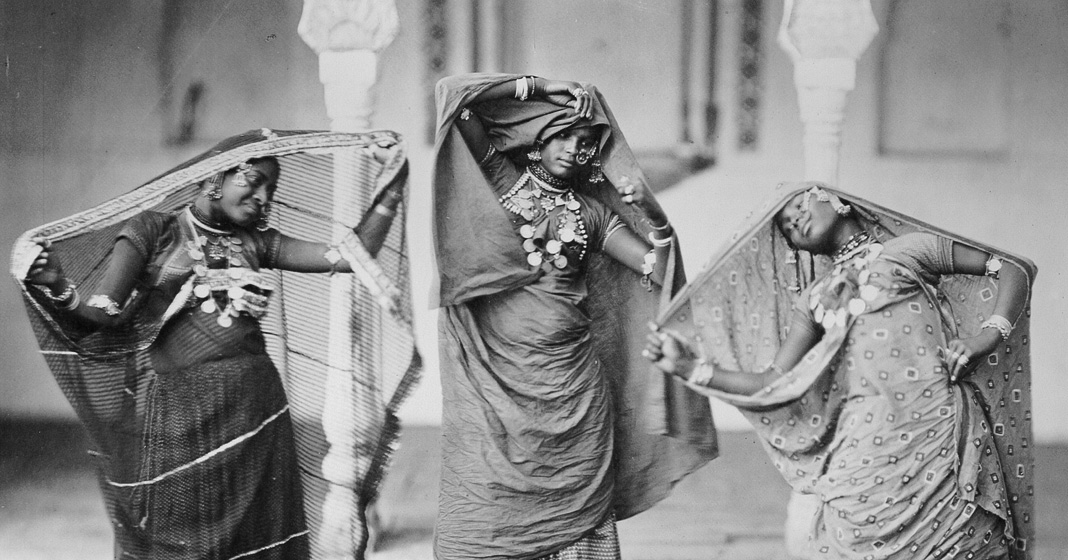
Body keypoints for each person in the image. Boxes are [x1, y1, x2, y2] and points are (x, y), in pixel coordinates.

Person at [14, 129, 420, 559]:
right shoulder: (154, 231)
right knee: (181, 534)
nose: (263, 196)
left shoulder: (256, 243)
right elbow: (102, 316)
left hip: (256, 407)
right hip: (179, 412)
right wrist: (57, 284)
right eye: (254, 180)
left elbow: (346, 256)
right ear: (215, 178)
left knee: (258, 536)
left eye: (272, 189)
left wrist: (393, 182)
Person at [645, 183, 1036, 559]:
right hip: (863, 445)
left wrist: (987, 336)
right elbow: (772, 381)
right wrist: (691, 367)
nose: (794, 221)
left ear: (839, 202)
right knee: (853, 537)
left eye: (799, 206)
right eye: (785, 227)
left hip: (936, 433)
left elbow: (1012, 267)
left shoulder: (905, 252)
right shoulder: (816, 298)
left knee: (956, 538)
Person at [431, 73, 717, 559]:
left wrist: (657, 218)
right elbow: (458, 105)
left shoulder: (592, 215)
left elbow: (655, 268)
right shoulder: (506, 181)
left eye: (583, 142)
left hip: (573, 383)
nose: (571, 148)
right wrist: (536, 88)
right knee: (488, 500)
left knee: (577, 497)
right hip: (497, 376)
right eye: (561, 134)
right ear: (538, 138)